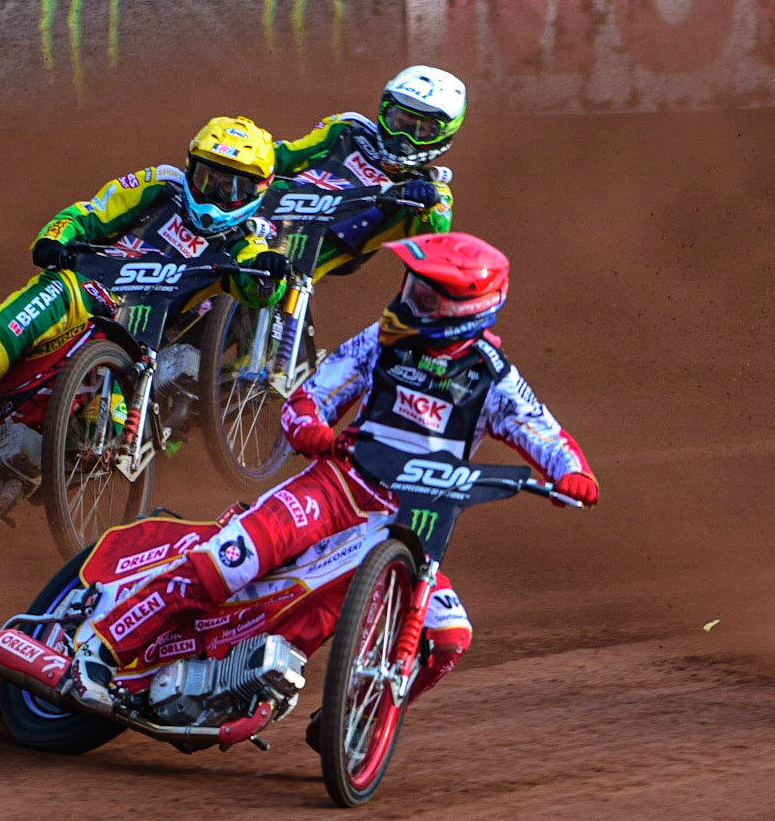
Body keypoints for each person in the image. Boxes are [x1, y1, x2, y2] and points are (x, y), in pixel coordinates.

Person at [72, 231, 598, 710]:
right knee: (233, 560)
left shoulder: (495, 379)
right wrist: (307, 424)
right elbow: (313, 393)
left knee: (449, 638)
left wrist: (573, 475)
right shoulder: (382, 340)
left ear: (471, 310)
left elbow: (546, 436)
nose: (412, 299)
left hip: (414, 521)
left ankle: (354, 720)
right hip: (340, 484)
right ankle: (100, 646)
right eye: (413, 286)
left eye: (429, 297)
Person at [0, 117, 290, 468]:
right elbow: (90, 213)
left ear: (259, 192)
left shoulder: (247, 237)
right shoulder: (162, 185)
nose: (217, 195)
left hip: (128, 345)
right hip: (73, 291)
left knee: (105, 435)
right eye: (210, 178)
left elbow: (255, 284)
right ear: (192, 168)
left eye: (235, 188)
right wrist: (54, 239)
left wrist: (271, 274)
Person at [272, 66, 465, 278]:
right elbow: (285, 155)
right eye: (398, 121)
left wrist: (427, 210)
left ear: (442, 136)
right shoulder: (346, 129)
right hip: (269, 214)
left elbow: (433, 251)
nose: (402, 136)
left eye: (420, 130)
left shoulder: (432, 190)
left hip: (322, 248)